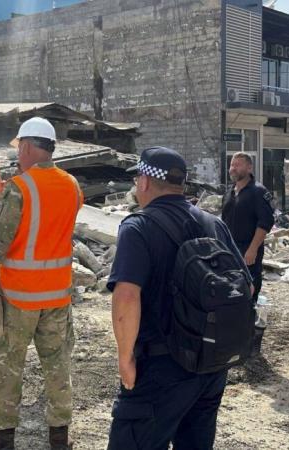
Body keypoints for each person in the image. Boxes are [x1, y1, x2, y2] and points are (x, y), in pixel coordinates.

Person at [107, 147, 252, 450]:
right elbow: (247, 288)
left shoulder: (138, 226)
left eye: (137, 179)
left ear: (145, 181)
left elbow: (127, 297)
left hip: (161, 366)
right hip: (211, 363)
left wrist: (125, 358)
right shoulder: (215, 224)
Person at [0, 117, 83, 450]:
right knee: (57, 365)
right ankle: (59, 438)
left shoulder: (20, 187)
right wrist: (5, 190)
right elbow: (45, 213)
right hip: (58, 296)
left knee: (8, 365)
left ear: (29, 147)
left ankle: (4, 438)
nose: (18, 155)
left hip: (19, 297)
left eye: (19, 148)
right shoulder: (72, 185)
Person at [221, 152, 275, 302]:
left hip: (248, 252)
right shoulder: (229, 193)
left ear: (249, 168)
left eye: (238, 165)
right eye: (232, 165)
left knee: (248, 293)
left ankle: (249, 323)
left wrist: (253, 249)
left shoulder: (259, 192)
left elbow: (265, 223)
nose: (233, 168)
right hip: (228, 250)